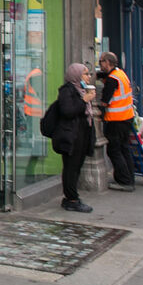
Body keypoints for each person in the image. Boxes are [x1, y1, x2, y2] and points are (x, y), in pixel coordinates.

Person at [52, 62, 95, 212]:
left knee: (77, 166)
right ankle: (71, 199)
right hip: (71, 135)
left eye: (89, 74)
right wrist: (84, 100)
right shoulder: (67, 91)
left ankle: (72, 196)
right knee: (71, 167)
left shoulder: (81, 90)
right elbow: (68, 111)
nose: (88, 77)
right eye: (85, 73)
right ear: (76, 75)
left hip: (82, 135)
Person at [97, 51, 136, 191]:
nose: (99, 63)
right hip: (126, 117)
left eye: (101, 61)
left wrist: (100, 113)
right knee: (124, 148)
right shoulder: (120, 74)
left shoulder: (112, 79)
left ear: (108, 62)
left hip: (116, 120)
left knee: (114, 151)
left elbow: (104, 102)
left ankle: (124, 181)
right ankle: (129, 178)